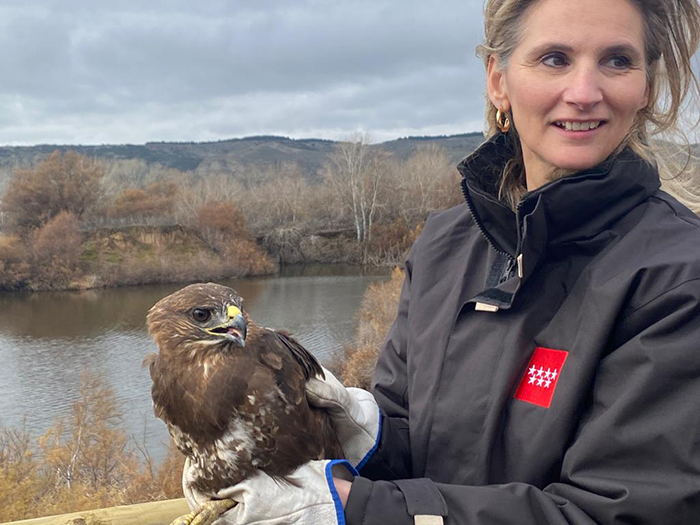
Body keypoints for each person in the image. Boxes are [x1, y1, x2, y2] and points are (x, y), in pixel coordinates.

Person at [181, 0, 700, 523]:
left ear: (646, 87)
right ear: (499, 81)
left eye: (616, 61)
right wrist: (367, 433)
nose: (585, 92)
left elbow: (619, 512)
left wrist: (352, 511)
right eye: (554, 59)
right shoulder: (445, 245)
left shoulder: (678, 275)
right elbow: (415, 442)